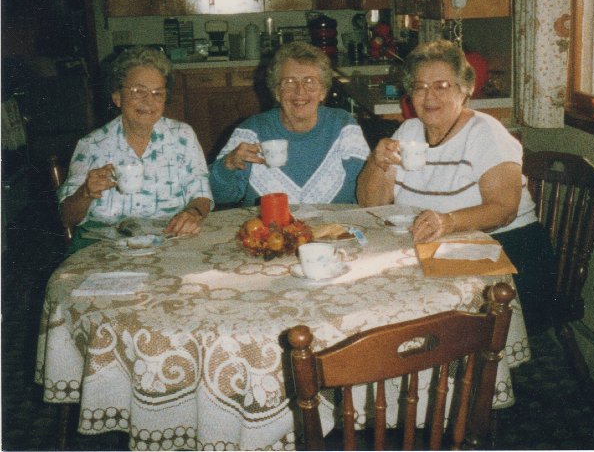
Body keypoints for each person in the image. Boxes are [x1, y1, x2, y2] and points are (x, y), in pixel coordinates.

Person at [356, 39, 555, 332]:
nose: (429, 96)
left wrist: (448, 221)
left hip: (507, 252)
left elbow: (504, 210)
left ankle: (451, 370)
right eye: (420, 87)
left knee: (419, 312)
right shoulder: (409, 130)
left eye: (442, 86)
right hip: (440, 250)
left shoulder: (485, 132)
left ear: (465, 90)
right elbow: (370, 206)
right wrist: (378, 163)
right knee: (374, 289)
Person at [58, 46, 213, 253]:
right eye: (138, 91)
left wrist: (192, 214)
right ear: (117, 97)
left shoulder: (182, 137)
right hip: (102, 247)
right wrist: (85, 192)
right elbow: (66, 217)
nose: (149, 101)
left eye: (158, 93)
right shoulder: (92, 145)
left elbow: (202, 194)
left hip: (168, 241)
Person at [210, 42, 370, 205]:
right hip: (267, 229)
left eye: (309, 81)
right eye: (289, 82)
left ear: (323, 91)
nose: (300, 91)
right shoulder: (251, 131)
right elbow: (220, 196)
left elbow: (366, 190)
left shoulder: (343, 126)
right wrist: (227, 166)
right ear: (276, 92)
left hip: (335, 228)